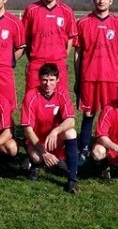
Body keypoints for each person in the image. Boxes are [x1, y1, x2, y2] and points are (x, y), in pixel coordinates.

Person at [74, 0, 118, 164]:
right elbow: (77, 54)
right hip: (89, 77)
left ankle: (109, 150)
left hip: (111, 78)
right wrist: (78, 78)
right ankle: (83, 149)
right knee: (88, 114)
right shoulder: (83, 22)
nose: (101, 1)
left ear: (111, 1)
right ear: (94, 0)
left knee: (110, 115)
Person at [20, 63, 79, 194]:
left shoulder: (62, 93)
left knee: (71, 132)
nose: (48, 84)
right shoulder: (31, 95)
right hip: (36, 141)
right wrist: (44, 153)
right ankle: (35, 164)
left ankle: (72, 179)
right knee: (37, 158)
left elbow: (71, 121)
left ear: (58, 79)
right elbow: (27, 130)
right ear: (39, 79)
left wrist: (56, 130)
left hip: (54, 139)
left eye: (52, 80)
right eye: (44, 80)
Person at [21, 0, 77, 93]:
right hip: (37, 63)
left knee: (59, 98)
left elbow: (70, 38)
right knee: (33, 97)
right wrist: (32, 57)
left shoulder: (67, 11)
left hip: (58, 63)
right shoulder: (31, 10)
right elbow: (25, 37)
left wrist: (63, 56)